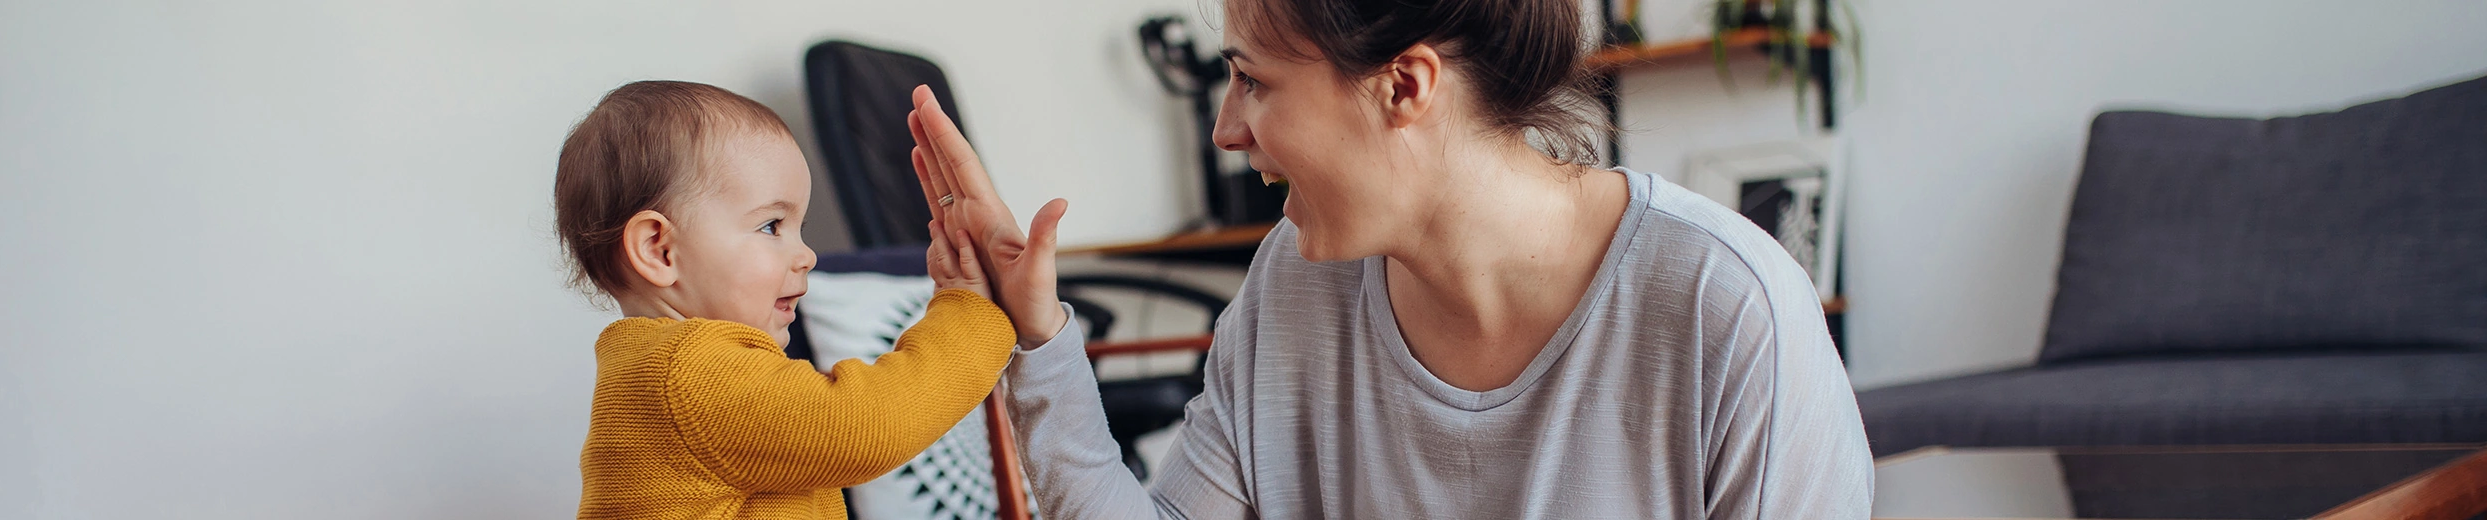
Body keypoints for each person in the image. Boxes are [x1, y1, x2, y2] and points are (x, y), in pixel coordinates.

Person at [906, 0, 1872, 516]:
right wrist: (1039, 335)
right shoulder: (1295, 284)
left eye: (1252, 80)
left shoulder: (1726, 310)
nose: (1226, 131)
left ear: (1404, 85)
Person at [552, 80, 1039, 520]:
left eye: (799, 228)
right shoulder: (688, 374)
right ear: (659, 250)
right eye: (771, 226)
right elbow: (867, 425)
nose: (806, 254)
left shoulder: (656, 368)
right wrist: (971, 313)